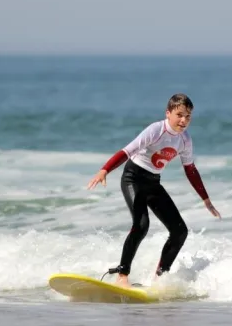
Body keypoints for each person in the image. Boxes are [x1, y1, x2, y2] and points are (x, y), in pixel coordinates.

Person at [86, 93, 221, 287]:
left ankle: (160, 279)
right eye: (179, 115)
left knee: (179, 231)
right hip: (133, 178)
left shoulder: (185, 140)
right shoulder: (156, 130)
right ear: (168, 113)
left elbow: (190, 170)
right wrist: (105, 169)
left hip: (153, 182)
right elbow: (127, 151)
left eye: (188, 116)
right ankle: (122, 275)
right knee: (141, 225)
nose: (184, 120)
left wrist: (206, 199)